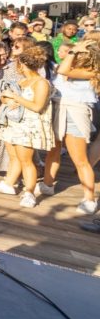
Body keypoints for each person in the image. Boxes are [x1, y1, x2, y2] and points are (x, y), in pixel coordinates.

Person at [0, 45, 54, 207]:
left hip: (28, 126)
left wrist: (16, 98)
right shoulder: (22, 80)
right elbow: (7, 97)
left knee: (26, 161)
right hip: (13, 124)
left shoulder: (41, 83)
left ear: (23, 64)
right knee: (14, 157)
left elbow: (37, 106)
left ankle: (29, 193)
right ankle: (8, 184)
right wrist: (8, 99)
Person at [39, 40, 100, 214]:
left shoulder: (93, 71)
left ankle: (89, 198)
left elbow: (63, 70)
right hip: (58, 109)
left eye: (76, 52)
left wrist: (73, 51)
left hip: (75, 112)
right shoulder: (69, 65)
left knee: (80, 159)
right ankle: (47, 184)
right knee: (53, 151)